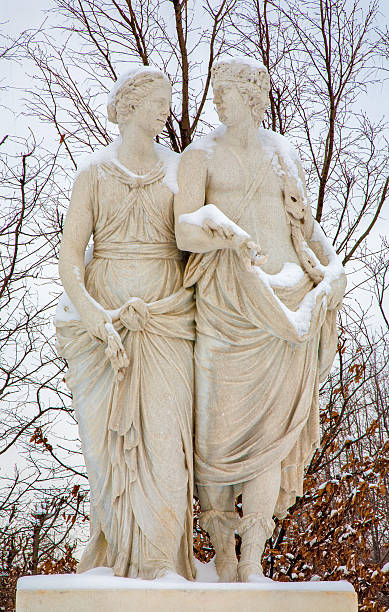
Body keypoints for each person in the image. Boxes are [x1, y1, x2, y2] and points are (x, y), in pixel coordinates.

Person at [174, 57, 346, 583]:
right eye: (217, 91)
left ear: (251, 96)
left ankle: (251, 560)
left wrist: (334, 268)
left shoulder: (281, 152)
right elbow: (184, 230)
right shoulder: (198, 154)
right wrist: (222, 230)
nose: (218, 100)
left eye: (225, 91)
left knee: (272, 437)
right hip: (226, 306)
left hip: (287, 302)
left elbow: (305, 224)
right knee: (214, 438)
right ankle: (222, 552)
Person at [56, 67, 195, 581]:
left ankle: (161, 565)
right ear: (129, 105)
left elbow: (197, 242)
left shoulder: (181, 170)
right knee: (109, 450)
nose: (167, 109)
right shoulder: (92, 173)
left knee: (164, 443)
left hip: (168, 323)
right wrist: (94, 317)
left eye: (167, 102)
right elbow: (70, 254)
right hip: (104, 328)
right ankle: (120, 560)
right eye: (159, 100)